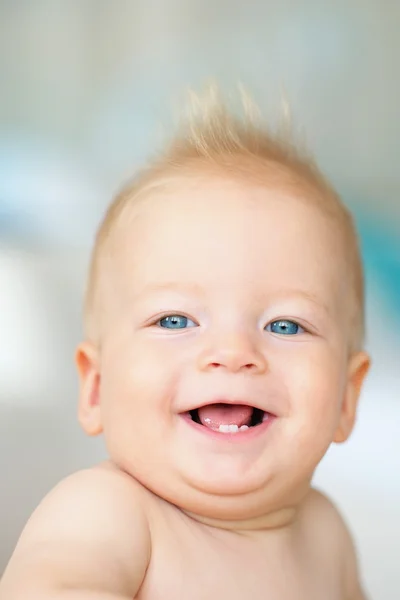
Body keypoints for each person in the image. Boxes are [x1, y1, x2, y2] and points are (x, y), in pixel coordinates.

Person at [0, 86, 371, 599]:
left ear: (347, 399)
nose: (233, 353)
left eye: (284, 326)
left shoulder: (326, 535)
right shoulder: (110, 513)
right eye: (175, 320)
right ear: (95, 388)